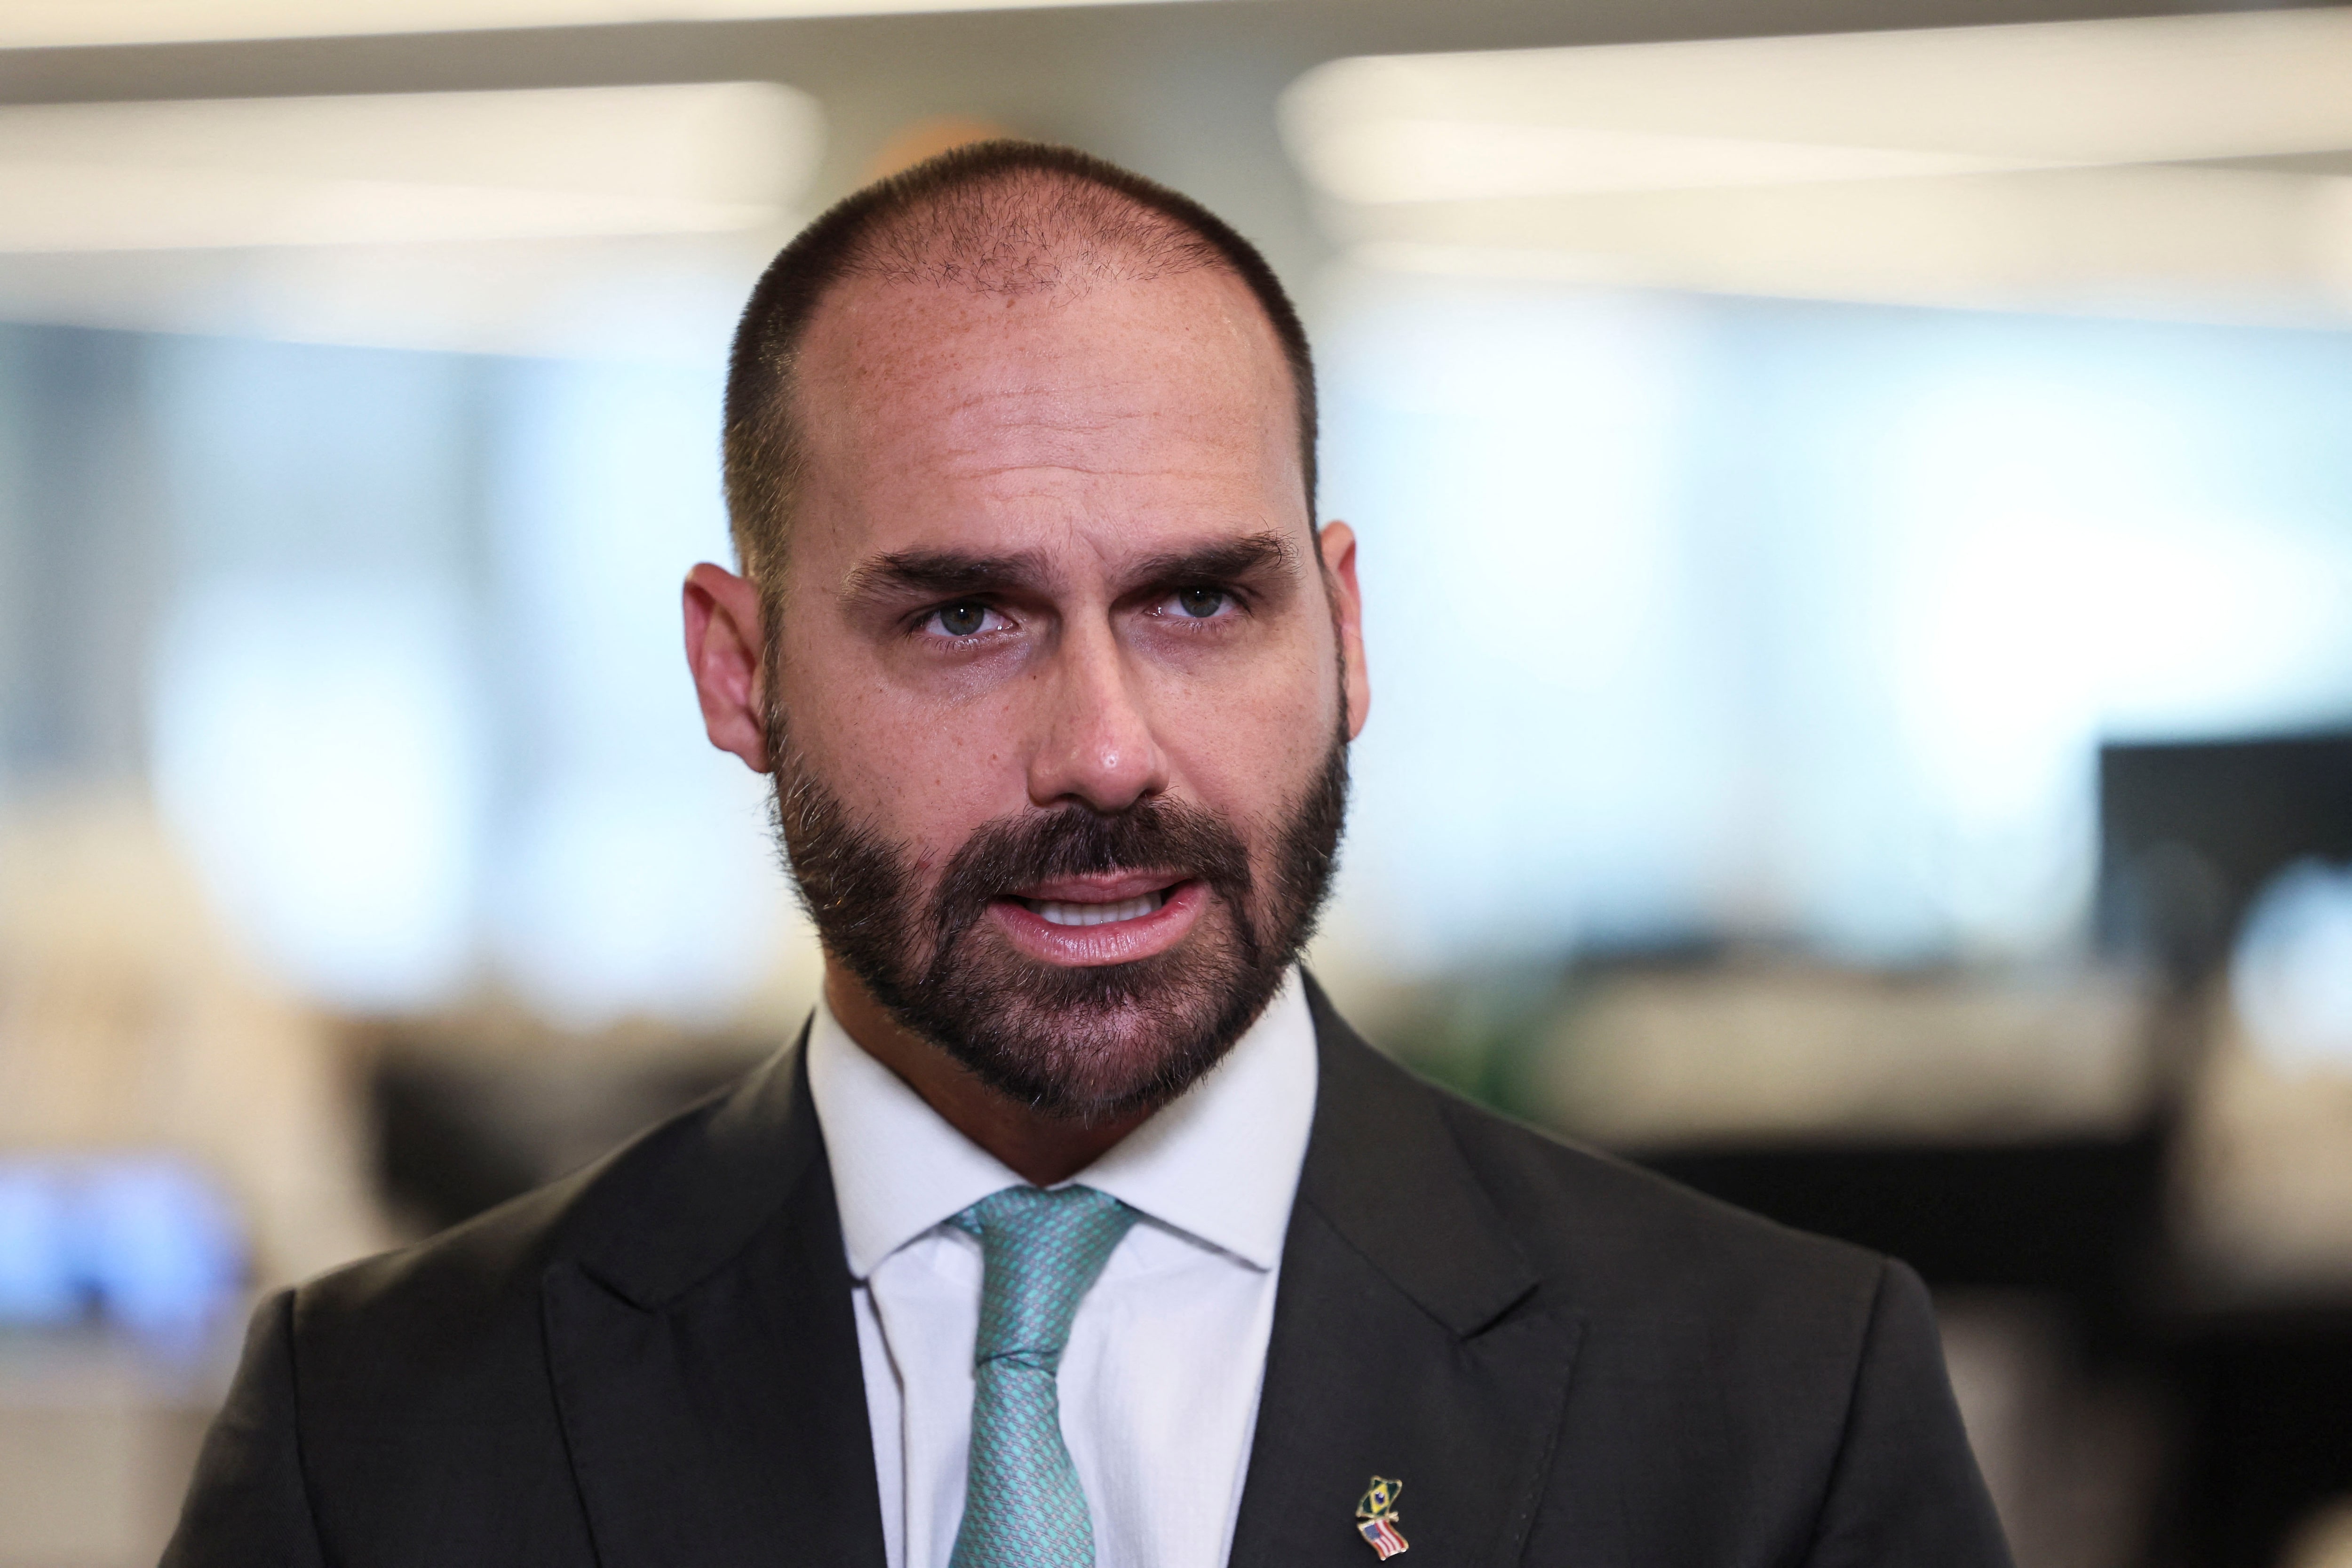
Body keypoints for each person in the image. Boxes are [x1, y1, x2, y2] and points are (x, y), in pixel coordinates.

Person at [165, 141, 2011, 1568]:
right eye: (964, 617)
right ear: (739, 674)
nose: (1109, 751)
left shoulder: (1775, 1401)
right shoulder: (380, 1428)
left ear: (1345, 631)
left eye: (1201, 600)